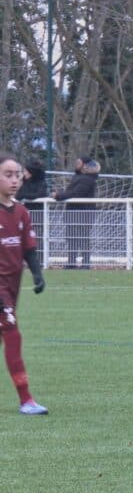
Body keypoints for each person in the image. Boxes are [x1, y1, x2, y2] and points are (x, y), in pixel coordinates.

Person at [0, 154, 48, 415]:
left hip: (13, 284)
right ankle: (26, 399)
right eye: (8, 174)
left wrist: (38, 275)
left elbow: (28, 249)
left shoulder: (20, 211)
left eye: (17, 174)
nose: (15, 180)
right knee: (13, 335)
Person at [52, 156, 99, 269]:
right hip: (73, 212)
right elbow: (72, 192)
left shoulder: (87, 179)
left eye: (79, 162)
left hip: (84, 213)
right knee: (71, 238)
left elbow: (75, 193)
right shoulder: (78, 177)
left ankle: (85, 263)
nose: (76, 164)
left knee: (83, 238)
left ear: (85, 165)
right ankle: (71, 262)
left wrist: (58, 195)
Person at [16, 160, 48, 245]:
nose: (24, 173)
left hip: (38, 214)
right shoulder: (23, 181)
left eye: (25, 171)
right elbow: (18, 195)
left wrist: (24, 196)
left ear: (31, 172)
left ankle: (39, 256)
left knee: (38, 237)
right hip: (25, 213)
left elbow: (41, 194)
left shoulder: (41, 182)